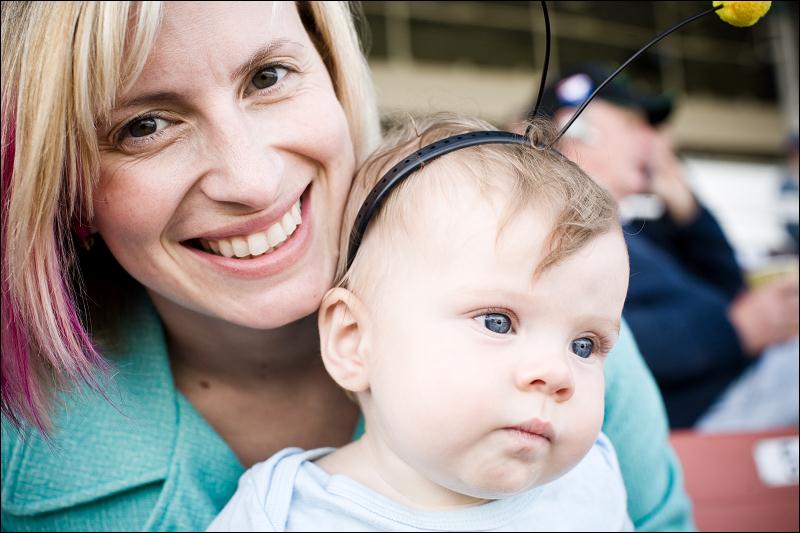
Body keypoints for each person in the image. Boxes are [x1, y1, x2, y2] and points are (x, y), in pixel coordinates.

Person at [1, 3, 692, 531]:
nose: (251, 177)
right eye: (144, 125)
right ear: (63, 184)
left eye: (268, 77)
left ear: (334, 77)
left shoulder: (553, 341)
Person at [207, 114, 635, 531]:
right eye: (497, 323)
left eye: (584, 345)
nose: (557, 375)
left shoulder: (589, 485)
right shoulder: (282, 516)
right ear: (353, 340)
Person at [535, 64, 799, 430]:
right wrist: (735, 331)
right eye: (634, 126)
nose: (656, 142)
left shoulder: (635, 230)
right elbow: (586, 342)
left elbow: (726, 284)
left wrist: (683, 199)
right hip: (701, 415)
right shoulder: (553, 228)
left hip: (739, 388)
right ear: (578, 130)